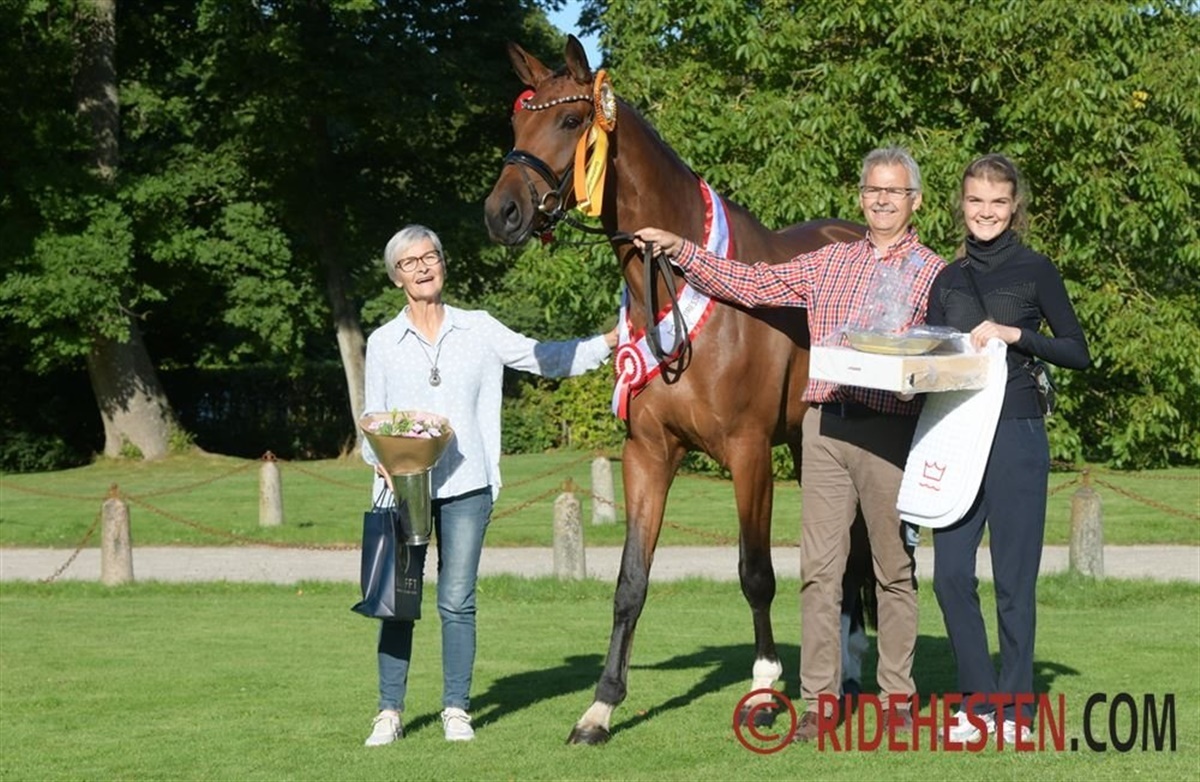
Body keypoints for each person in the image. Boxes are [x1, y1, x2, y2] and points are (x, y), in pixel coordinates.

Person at [632, 147, 945, 741]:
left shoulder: (933, 273)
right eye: (873, 190)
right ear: (861, 198)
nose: (881, 200)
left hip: (887, 428)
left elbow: (948, 346)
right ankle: (820, 703)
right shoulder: (829, 262)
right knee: (818, 572)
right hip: (824, 426)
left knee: (892, 570)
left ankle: (897, 699)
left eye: (894, 191)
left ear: (915, 201)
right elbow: (752, 283)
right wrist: (682, 250)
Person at [360, 224, 618, 746]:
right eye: (409, 262)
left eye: (430, 257)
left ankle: (456, 708)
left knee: (457, 602)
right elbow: (372, 418)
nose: (422, 268)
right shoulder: (383, 342)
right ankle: (389, 712)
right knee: (397, 603)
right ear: (395, 278)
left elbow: (543, 357)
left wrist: (608, 343)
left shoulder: (479, 328)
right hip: (402, 489)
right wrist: (380, 459)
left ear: (443, 264)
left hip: (468, 484)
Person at [926, 154, 1090, 745]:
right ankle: (979, 705)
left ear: (1013, 205)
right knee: (949, 577)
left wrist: (1015, 334)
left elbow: (1077, 351)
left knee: (1014, 583)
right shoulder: (946, 278)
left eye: (998, 201)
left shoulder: (1036, 270)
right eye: (976, 200)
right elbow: (932, 353)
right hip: (955, 432)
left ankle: (1017, 711)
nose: (986, 212)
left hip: (1017, 433)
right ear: (962, 204)